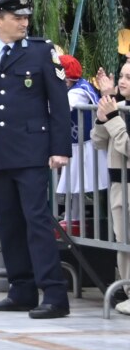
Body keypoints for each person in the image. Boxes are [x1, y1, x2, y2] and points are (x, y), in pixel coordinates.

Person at [0, 0, 71, 319]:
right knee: (8, 224)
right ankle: (21, 289)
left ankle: (54, 294)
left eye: (26, 17)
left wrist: (60, 148)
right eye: (17, 18)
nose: (24, 23)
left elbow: (59, 104)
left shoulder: (40, 52)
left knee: (37, 222)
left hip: (32, 151)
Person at [92, 60, 130, 315]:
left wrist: (114, 117)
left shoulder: (121, 112)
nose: (122, 81)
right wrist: (103, 112)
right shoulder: (120, 107)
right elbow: (98, 141)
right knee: (122, 239)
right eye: (122, 76)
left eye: (129, 77)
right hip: (118, 183)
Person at [56, 55, 106, 233]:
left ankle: (75, 218)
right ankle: (73, 217)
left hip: (86, 144)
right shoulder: (77, 87)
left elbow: (63, 107)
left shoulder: (79, 91)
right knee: (75, 182)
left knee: (79, 182)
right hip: (78, 143)